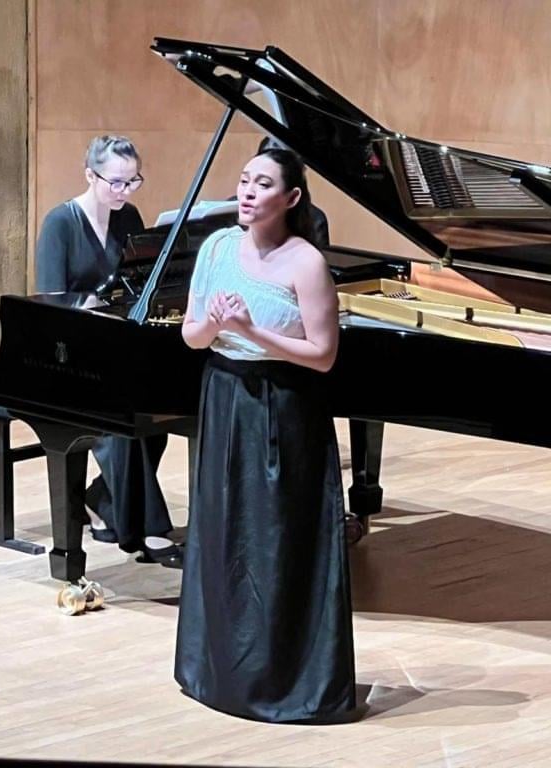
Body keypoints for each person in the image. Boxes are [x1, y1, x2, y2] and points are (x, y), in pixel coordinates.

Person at [175, 147, 356, 722]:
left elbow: (323, 356)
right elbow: (191, 336)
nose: (248, 192)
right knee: (224, 529)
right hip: (224, 396)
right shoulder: (216, 247)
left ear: (291, 199)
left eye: (263, 184)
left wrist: (252, 330)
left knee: (276, 540)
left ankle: (286, 683)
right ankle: (218, 672)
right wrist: (218, 326)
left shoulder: (306, 264)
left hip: (284, 408)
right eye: (245, 181)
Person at [34, 135, 182, 569]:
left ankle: (100, 499)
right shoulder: (61, 223)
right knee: (119, 428)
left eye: (132, 181)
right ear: (89, 175)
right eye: (114, 182)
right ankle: (152, 532)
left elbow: (135, 283)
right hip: (68, 357)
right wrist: (87, 308)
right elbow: (49, 304)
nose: (123, 192)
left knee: (155, 421)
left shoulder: (128, 217)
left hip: (114, 351)